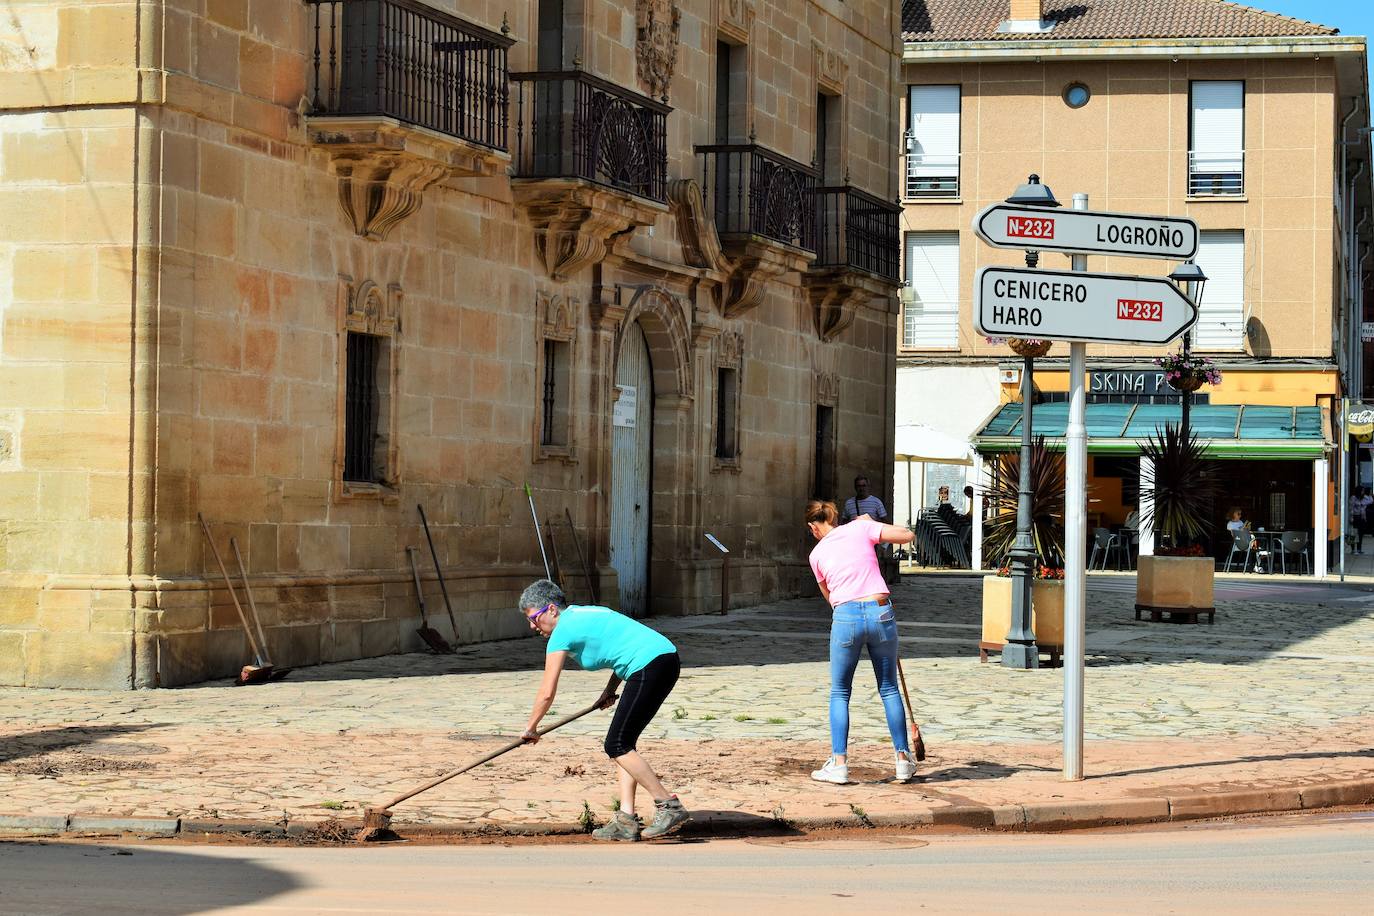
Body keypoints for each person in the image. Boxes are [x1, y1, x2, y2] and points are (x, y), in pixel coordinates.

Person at [517, 579, 690, 842]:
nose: (532, 626)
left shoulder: (562, 631)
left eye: (534, 618)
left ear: (552, 609)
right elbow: (622, 648)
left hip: (651, 666)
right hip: (661, 660)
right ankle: (626, 820)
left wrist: (531, 729)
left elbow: (547, 693)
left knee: (617, 744)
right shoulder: (584, 613)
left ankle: (668, 805)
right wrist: (609, 690)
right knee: (624, 745)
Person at [805, 499, 922, 785]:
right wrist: (870, 524)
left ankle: (839, 763)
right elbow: (907, 535)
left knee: (840, 692)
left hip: (846, 615)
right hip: (880, 609)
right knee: (889, 688)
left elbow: (829, 596)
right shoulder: (861, 530)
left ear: (813, 526)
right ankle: (903, 759)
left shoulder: (816, 554)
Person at [1350, 487, 1372, 554]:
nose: (1363, 492)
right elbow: (1351, 508)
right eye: (1362, 491)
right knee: (1354, 533)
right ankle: (1353, 549)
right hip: (1355, 517)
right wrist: (1351, 517)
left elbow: (1370, 501)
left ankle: (1359, 549)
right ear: (1359, 491)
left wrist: (1364, 518)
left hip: (1361, 518)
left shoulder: (1361, 498)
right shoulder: (1353, 498)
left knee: (1360, 534)